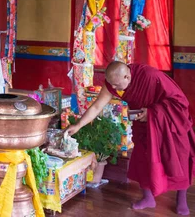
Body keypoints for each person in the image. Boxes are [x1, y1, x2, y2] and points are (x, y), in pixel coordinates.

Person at [66, 61, 195, 215]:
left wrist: (151, 113)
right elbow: (96, 106)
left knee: (177, 159)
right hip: (144, 126)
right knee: (142, 160)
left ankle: (181, 198)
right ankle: (148, 198)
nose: (114, 89)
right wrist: (78, 125)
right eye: (111, 85)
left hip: (169, 124)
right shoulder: (112, 83)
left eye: (116, 84)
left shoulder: (150, 76)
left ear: (127, 76)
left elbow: (179, 102)